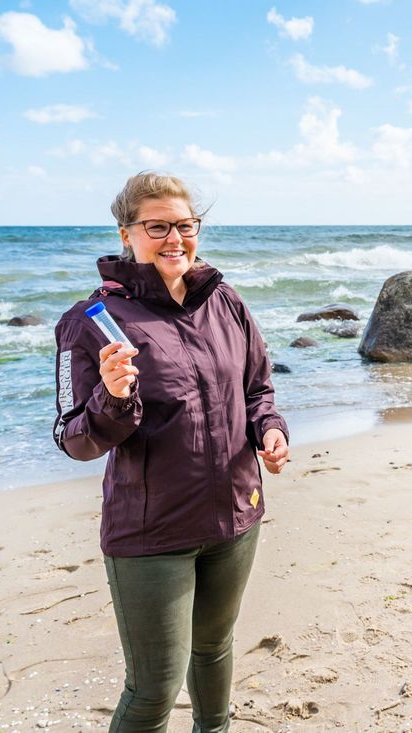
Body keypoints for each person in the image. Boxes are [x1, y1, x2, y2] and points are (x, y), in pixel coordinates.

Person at [53, 172, 290, 733]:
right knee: (153, 688)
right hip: (152, 532)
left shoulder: (225, 302)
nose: (174, 239)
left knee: (213, 650)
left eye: (185, 225)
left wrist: (269, 431)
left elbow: (257, 388)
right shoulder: (87, 323)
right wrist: (113, 397)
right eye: (156, 226)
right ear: (126, 234)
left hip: (236, 514)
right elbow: (74, 439)